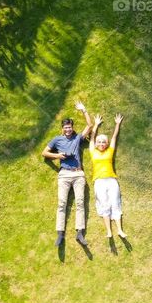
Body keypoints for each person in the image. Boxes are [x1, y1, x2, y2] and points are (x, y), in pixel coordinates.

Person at [42, 100, 100, 247]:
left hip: (78, 174)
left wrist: (84, 110)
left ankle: (79, 233)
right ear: (62, 128)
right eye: (66, 127)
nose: (68, 129)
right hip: (64, 175)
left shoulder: (77, 138)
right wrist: (58, 156)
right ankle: (60, 233)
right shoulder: (57, 140)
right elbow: (44, 153)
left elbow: (89, 126)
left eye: (70, 127)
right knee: (62, 203)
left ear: (72, 127)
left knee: (80, 202)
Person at [90, 113, 126, 239]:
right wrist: (96, 125)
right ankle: (109, 231)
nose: (101, 143)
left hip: (111, 181)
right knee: (104, 204)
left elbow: (114, 137)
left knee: (115, 203)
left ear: (106, 143)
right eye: (99, 141)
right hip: (99, 181)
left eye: (103, 141)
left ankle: (120, 230)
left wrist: (117, 124)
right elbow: (92, 137)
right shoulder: (92, 151)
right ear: (96, 144)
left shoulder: (110, 150)